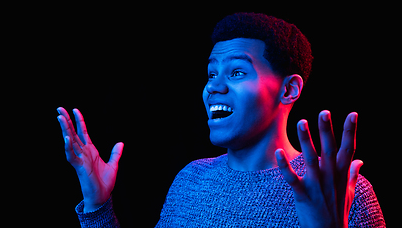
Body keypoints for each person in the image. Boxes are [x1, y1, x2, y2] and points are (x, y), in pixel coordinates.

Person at [57, 13, 385, 227]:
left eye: (237, 72)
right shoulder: (190, 180)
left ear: (289, 89)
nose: (213, 86)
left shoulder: (343, 193)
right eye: (211, 73)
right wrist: (98, 206)